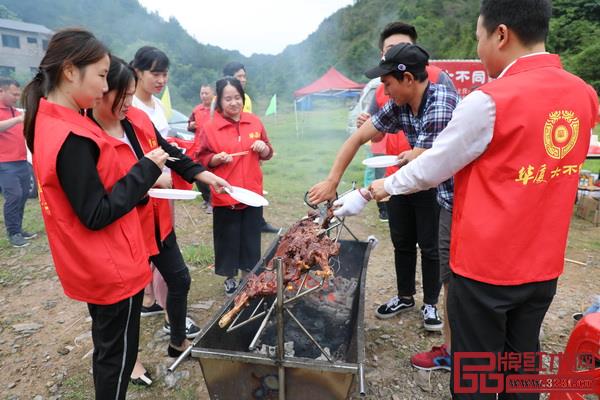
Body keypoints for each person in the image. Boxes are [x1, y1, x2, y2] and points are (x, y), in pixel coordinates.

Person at [328, 1, 599, 397]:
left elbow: (432, 166)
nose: (478, 50)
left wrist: (370, 191)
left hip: (487, 268)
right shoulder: (584, 94)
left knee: (477, 373)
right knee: (521, 361)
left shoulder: (489, 101)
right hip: (544, 264)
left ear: (501, 34)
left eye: (479, 38)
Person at [21, 28, 169, 399]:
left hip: (100, 259)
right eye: (102, 76)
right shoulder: (69, 135)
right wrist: (144, 172)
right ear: (70, 71)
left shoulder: (57, 119)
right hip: (110, 264)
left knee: (110, 349)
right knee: (116, 357)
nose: (106, 88)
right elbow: (95, 212)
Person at [88, 56, 229, 385]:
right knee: (131, 300)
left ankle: (177, 341)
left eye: (130, 96)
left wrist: (204, 175)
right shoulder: (88, 132)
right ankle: (132, 361)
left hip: (157, 221)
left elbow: (168, 151)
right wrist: (150, 178)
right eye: (120, 97)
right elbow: (104, 191)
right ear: (99, 93)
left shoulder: (137, 118)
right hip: (124, 231)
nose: (127, 104)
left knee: (179, 280)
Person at [311, 43, 458, 332]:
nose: (384, 90)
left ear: (408, 79)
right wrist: (332, 182)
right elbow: (357, 138)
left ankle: (435, 311)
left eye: (387, 83)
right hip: (426, 183)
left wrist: (366, 193)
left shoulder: (441, 104)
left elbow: (424, 168)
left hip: (454, 196)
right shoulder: (399, 103)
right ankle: (407, 298)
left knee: (442, 261)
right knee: (403, 242)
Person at [357, 23, 458, 347]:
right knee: (402, 242)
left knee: (430, 246)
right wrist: (367, 128)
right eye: (387, 50)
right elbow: (373, 132)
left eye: (398, 48)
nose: (390, 55)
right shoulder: (383, 88)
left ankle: (430, 303)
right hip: (394, 175)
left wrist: (411, 157)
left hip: (428, 181)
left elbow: (434, 155)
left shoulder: (440, 85)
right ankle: (404, 295)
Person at [197, 77, 274, 296]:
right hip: (225, 193)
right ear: (219, 101)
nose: (233, 103)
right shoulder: (211, 127)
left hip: (252, 193)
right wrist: (215, 159)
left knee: (250, 236)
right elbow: (201, 158)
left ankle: (248, 275)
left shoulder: (254, 122)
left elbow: (268, 151)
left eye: (237, 98)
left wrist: (263, 148)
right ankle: (230, 278)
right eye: (228, 99)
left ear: (243, 98)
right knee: (228, 238)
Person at [222, 61, 279, 234]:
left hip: (250, 155)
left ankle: (257, 221)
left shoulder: (246, 99)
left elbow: (250, 124)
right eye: (238, 76)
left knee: (251, 189)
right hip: (229, 158)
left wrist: (260, 150)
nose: (243, 79)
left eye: (244, 76)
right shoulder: (219, 100)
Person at [0, 78, 36, 247]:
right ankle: (13, 233)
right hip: (5, 163)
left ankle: (19, 229)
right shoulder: (11, 115)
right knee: (13, 196)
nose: (17, 97)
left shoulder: (15, 111)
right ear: (2, 91)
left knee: (22, 196)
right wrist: (18, 120)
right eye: (14, 94)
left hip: (21, 160)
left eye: (18, 94)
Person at [188, 84, 215, 212]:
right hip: (198, 147)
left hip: (213, 148)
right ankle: (206, 198)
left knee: (211, 175)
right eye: (202, 93)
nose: (204, 96)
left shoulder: (218, 109)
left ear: (213, 94)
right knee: (198, 175)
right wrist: (191, 125)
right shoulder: (196, 110)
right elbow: (189, 125)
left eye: (206, 93)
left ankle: (212, 201)